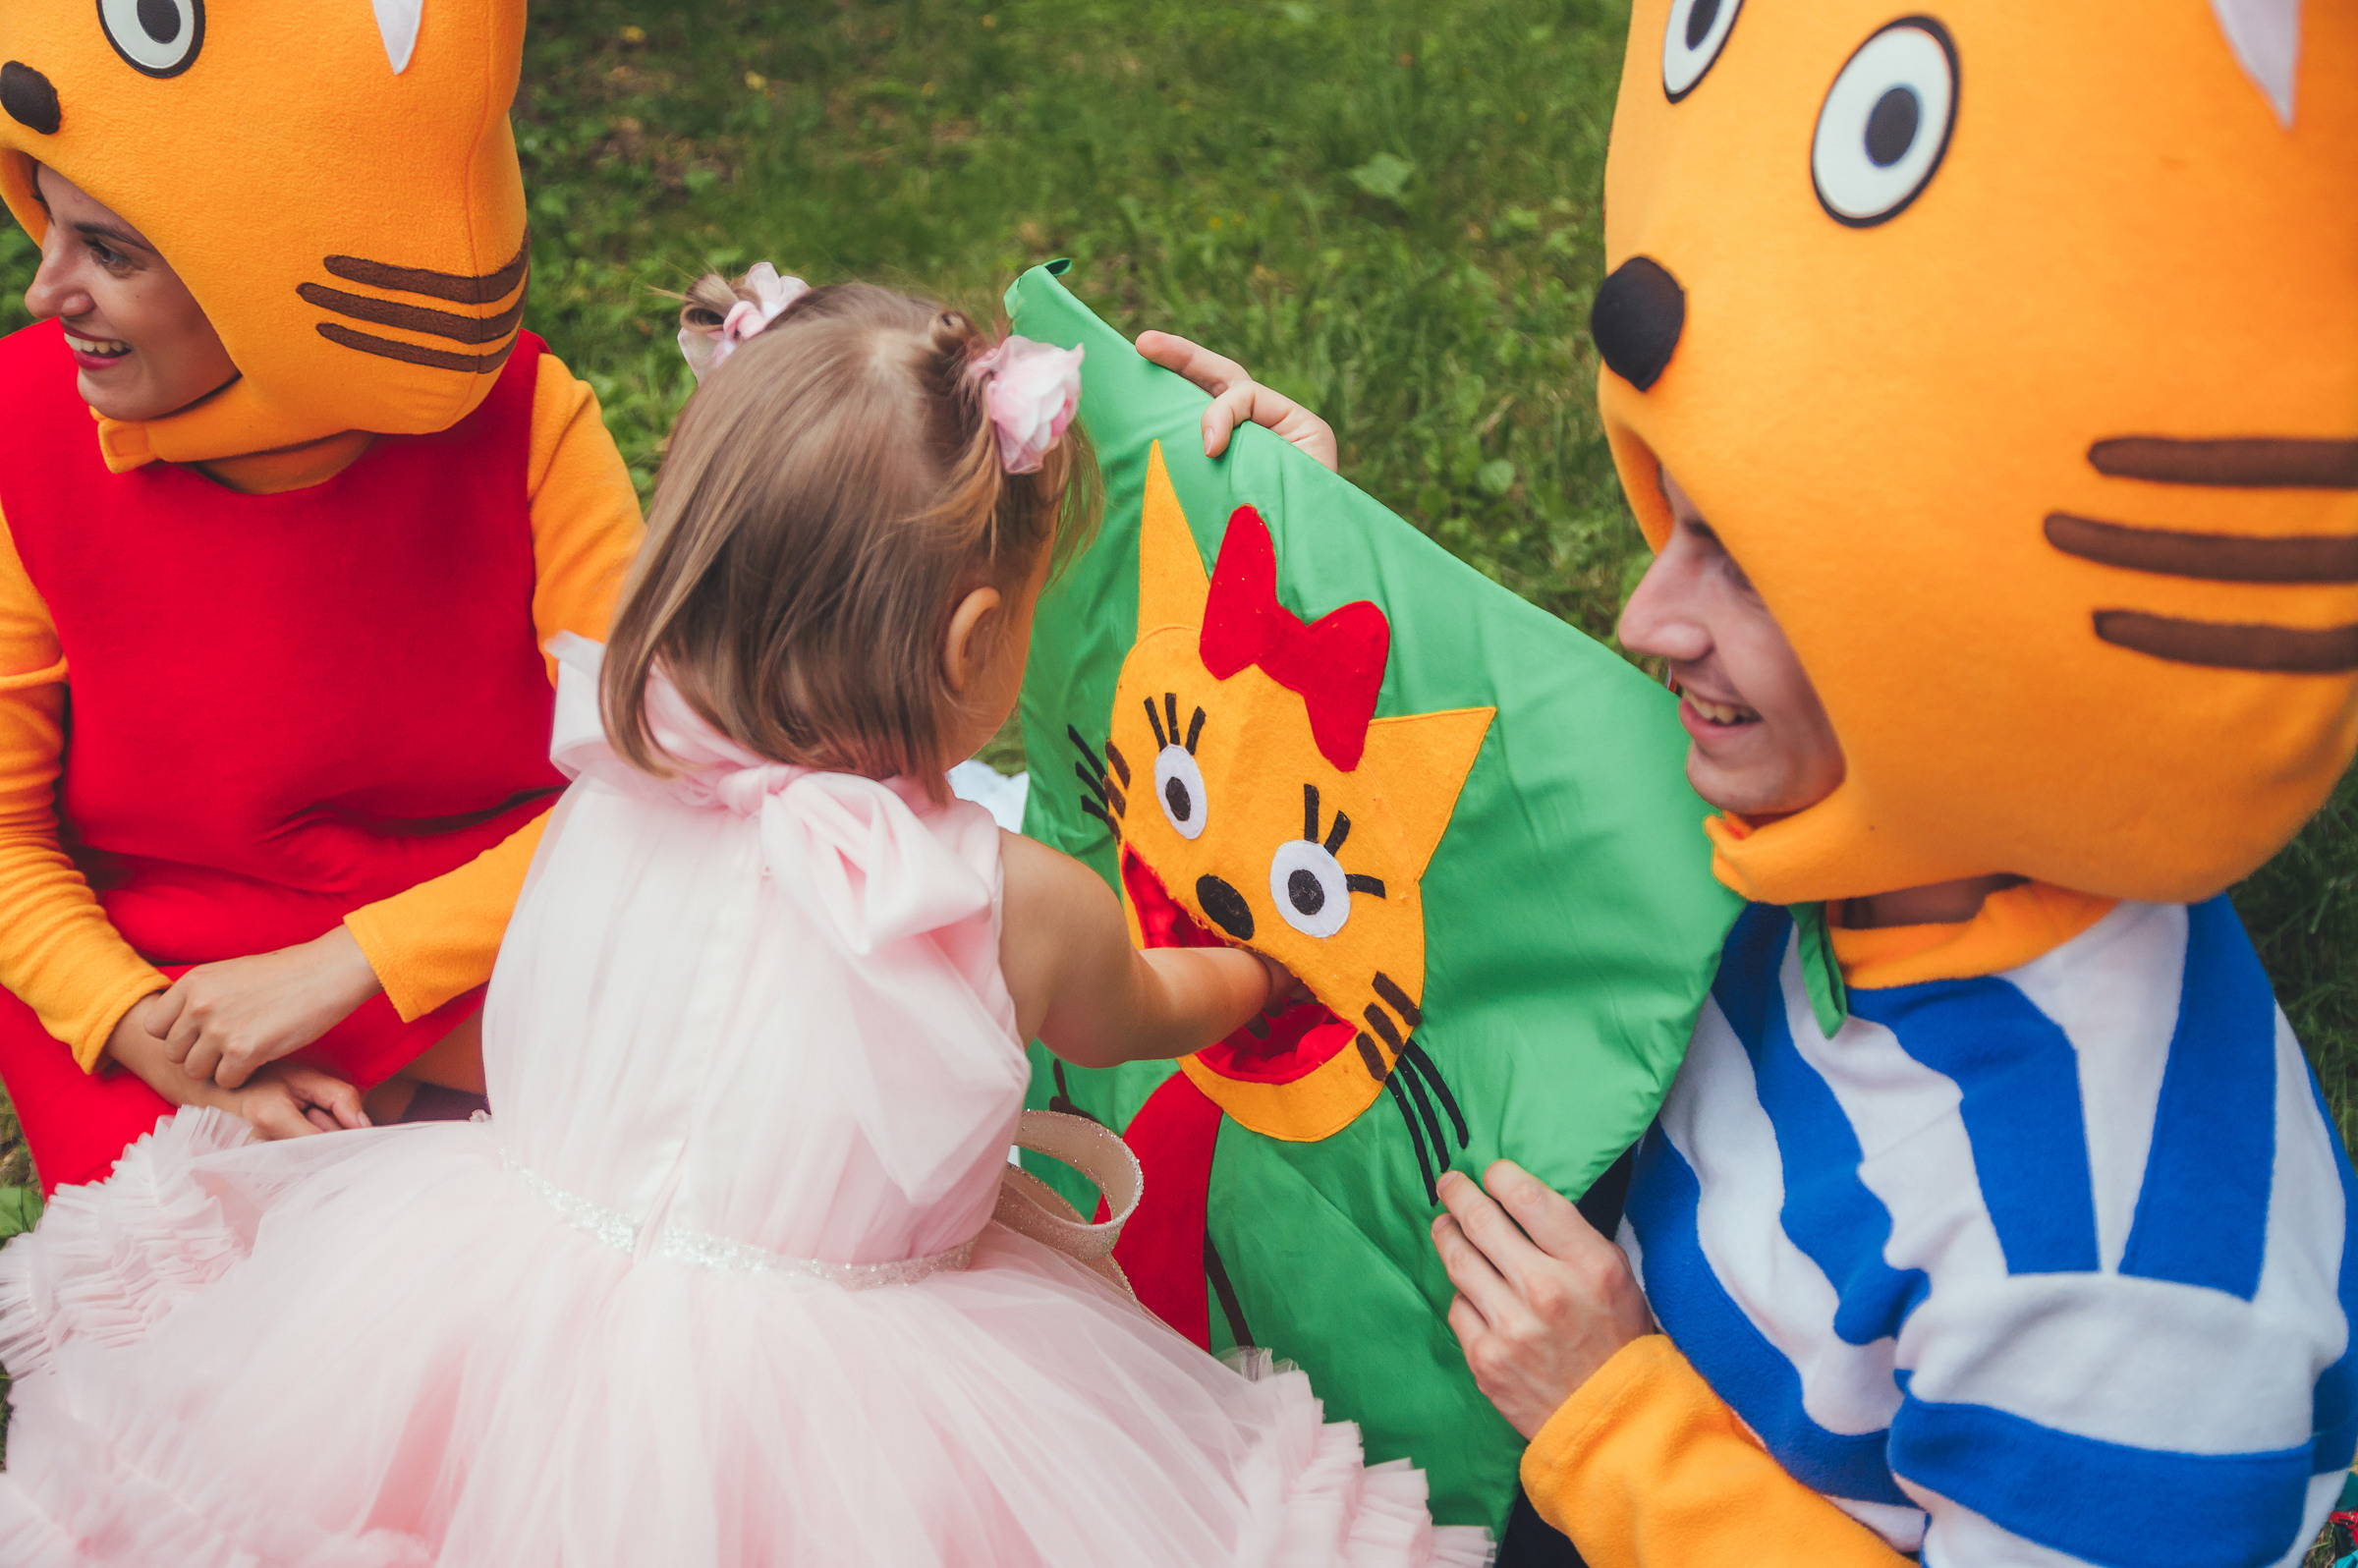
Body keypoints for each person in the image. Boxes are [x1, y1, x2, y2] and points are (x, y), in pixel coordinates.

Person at [0, 273, 1492, 1568]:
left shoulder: (604, 790)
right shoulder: (1007, 900)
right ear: (980, 645)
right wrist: (1253, 967)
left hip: (480, 1295)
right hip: (849, 1408)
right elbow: (1150, 1012)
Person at [1417, 2, 2358, 1564]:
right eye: (1679, 519)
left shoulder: (2130, 1282)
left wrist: (1616, 1423)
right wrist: (1300, 529)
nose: (1646, 622)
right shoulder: (1863, 833)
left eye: (1754, 568)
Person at [0, 0, 644, 1190]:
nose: (47, 294)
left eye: (115, 253)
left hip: (487, 943)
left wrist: (356, 967)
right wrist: (155, 1034)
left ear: (264, 253)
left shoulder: (524, 424)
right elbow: (5, 837)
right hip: (155, 975)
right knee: (207, 1298)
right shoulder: (22, 429)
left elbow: (654, 782)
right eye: (49, 221)